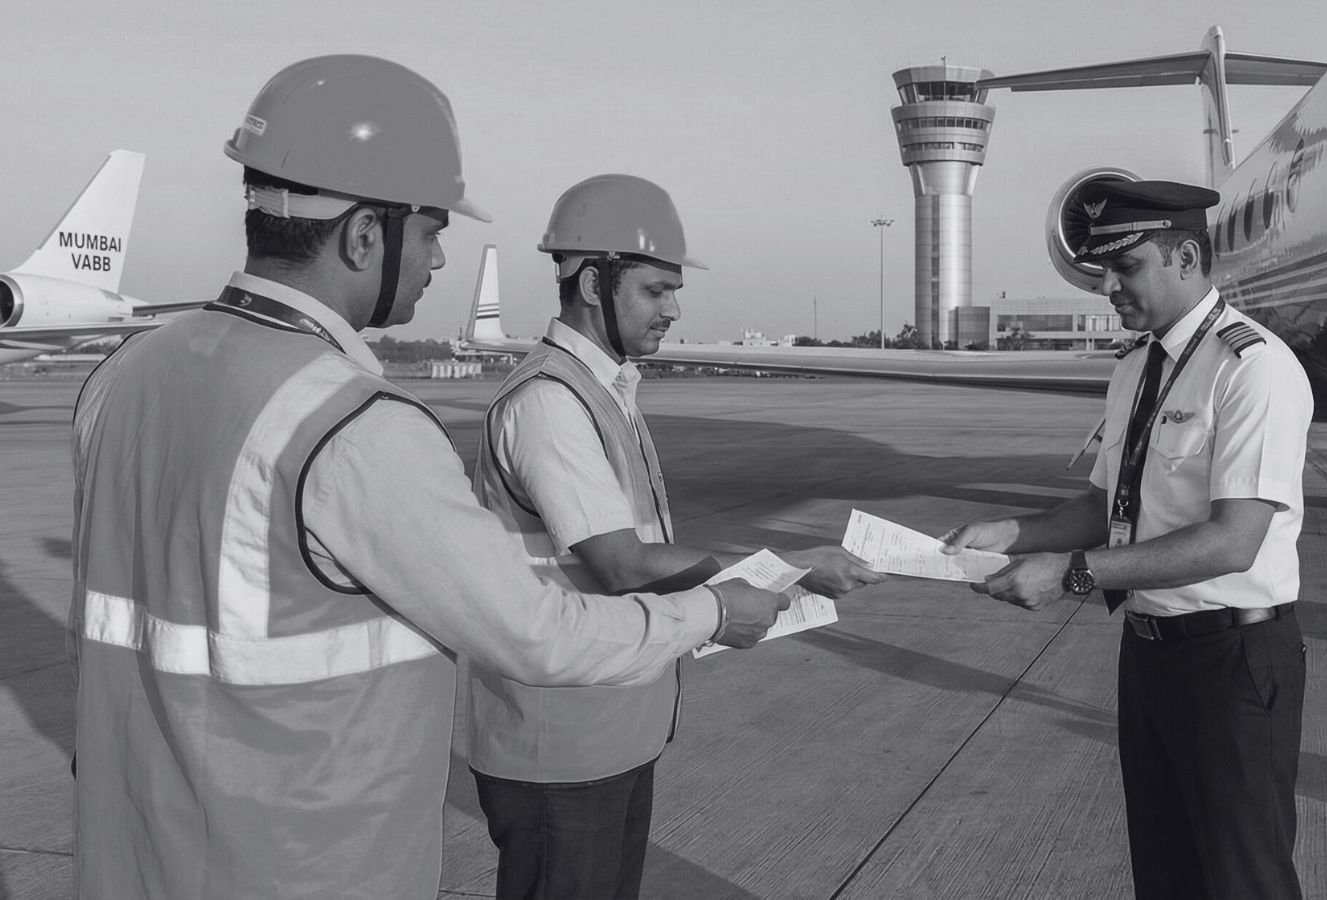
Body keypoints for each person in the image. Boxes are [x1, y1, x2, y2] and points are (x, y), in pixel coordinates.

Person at [67, 56, 787, 900]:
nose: (438, 259)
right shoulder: (352, 423)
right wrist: (714, 610)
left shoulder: (121, 374)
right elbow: (535, 633)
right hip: (304, 865)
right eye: (432, 231)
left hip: (130, 857)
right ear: (363, 235)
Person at [468, 173, 884, 900]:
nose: (674, 309)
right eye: (657, 290)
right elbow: (622, 563)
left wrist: (783, 572)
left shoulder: (606, 391)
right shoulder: (550, 402)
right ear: (593, 284)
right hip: (559, 741)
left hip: (610, 725)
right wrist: (780, 570)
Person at [942, 179, 1314, 899]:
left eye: (1126, 267)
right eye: (1102, 269)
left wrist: (1072, 574)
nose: (1107, 287)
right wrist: (1010, 533)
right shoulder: (1137, 367)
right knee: (1166, 875)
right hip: (1149, 655)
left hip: (1232, 659)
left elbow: (1233, 542)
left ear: (1185, 258)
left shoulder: (1253, 368)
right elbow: (1102, 505)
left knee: (1243, 880)